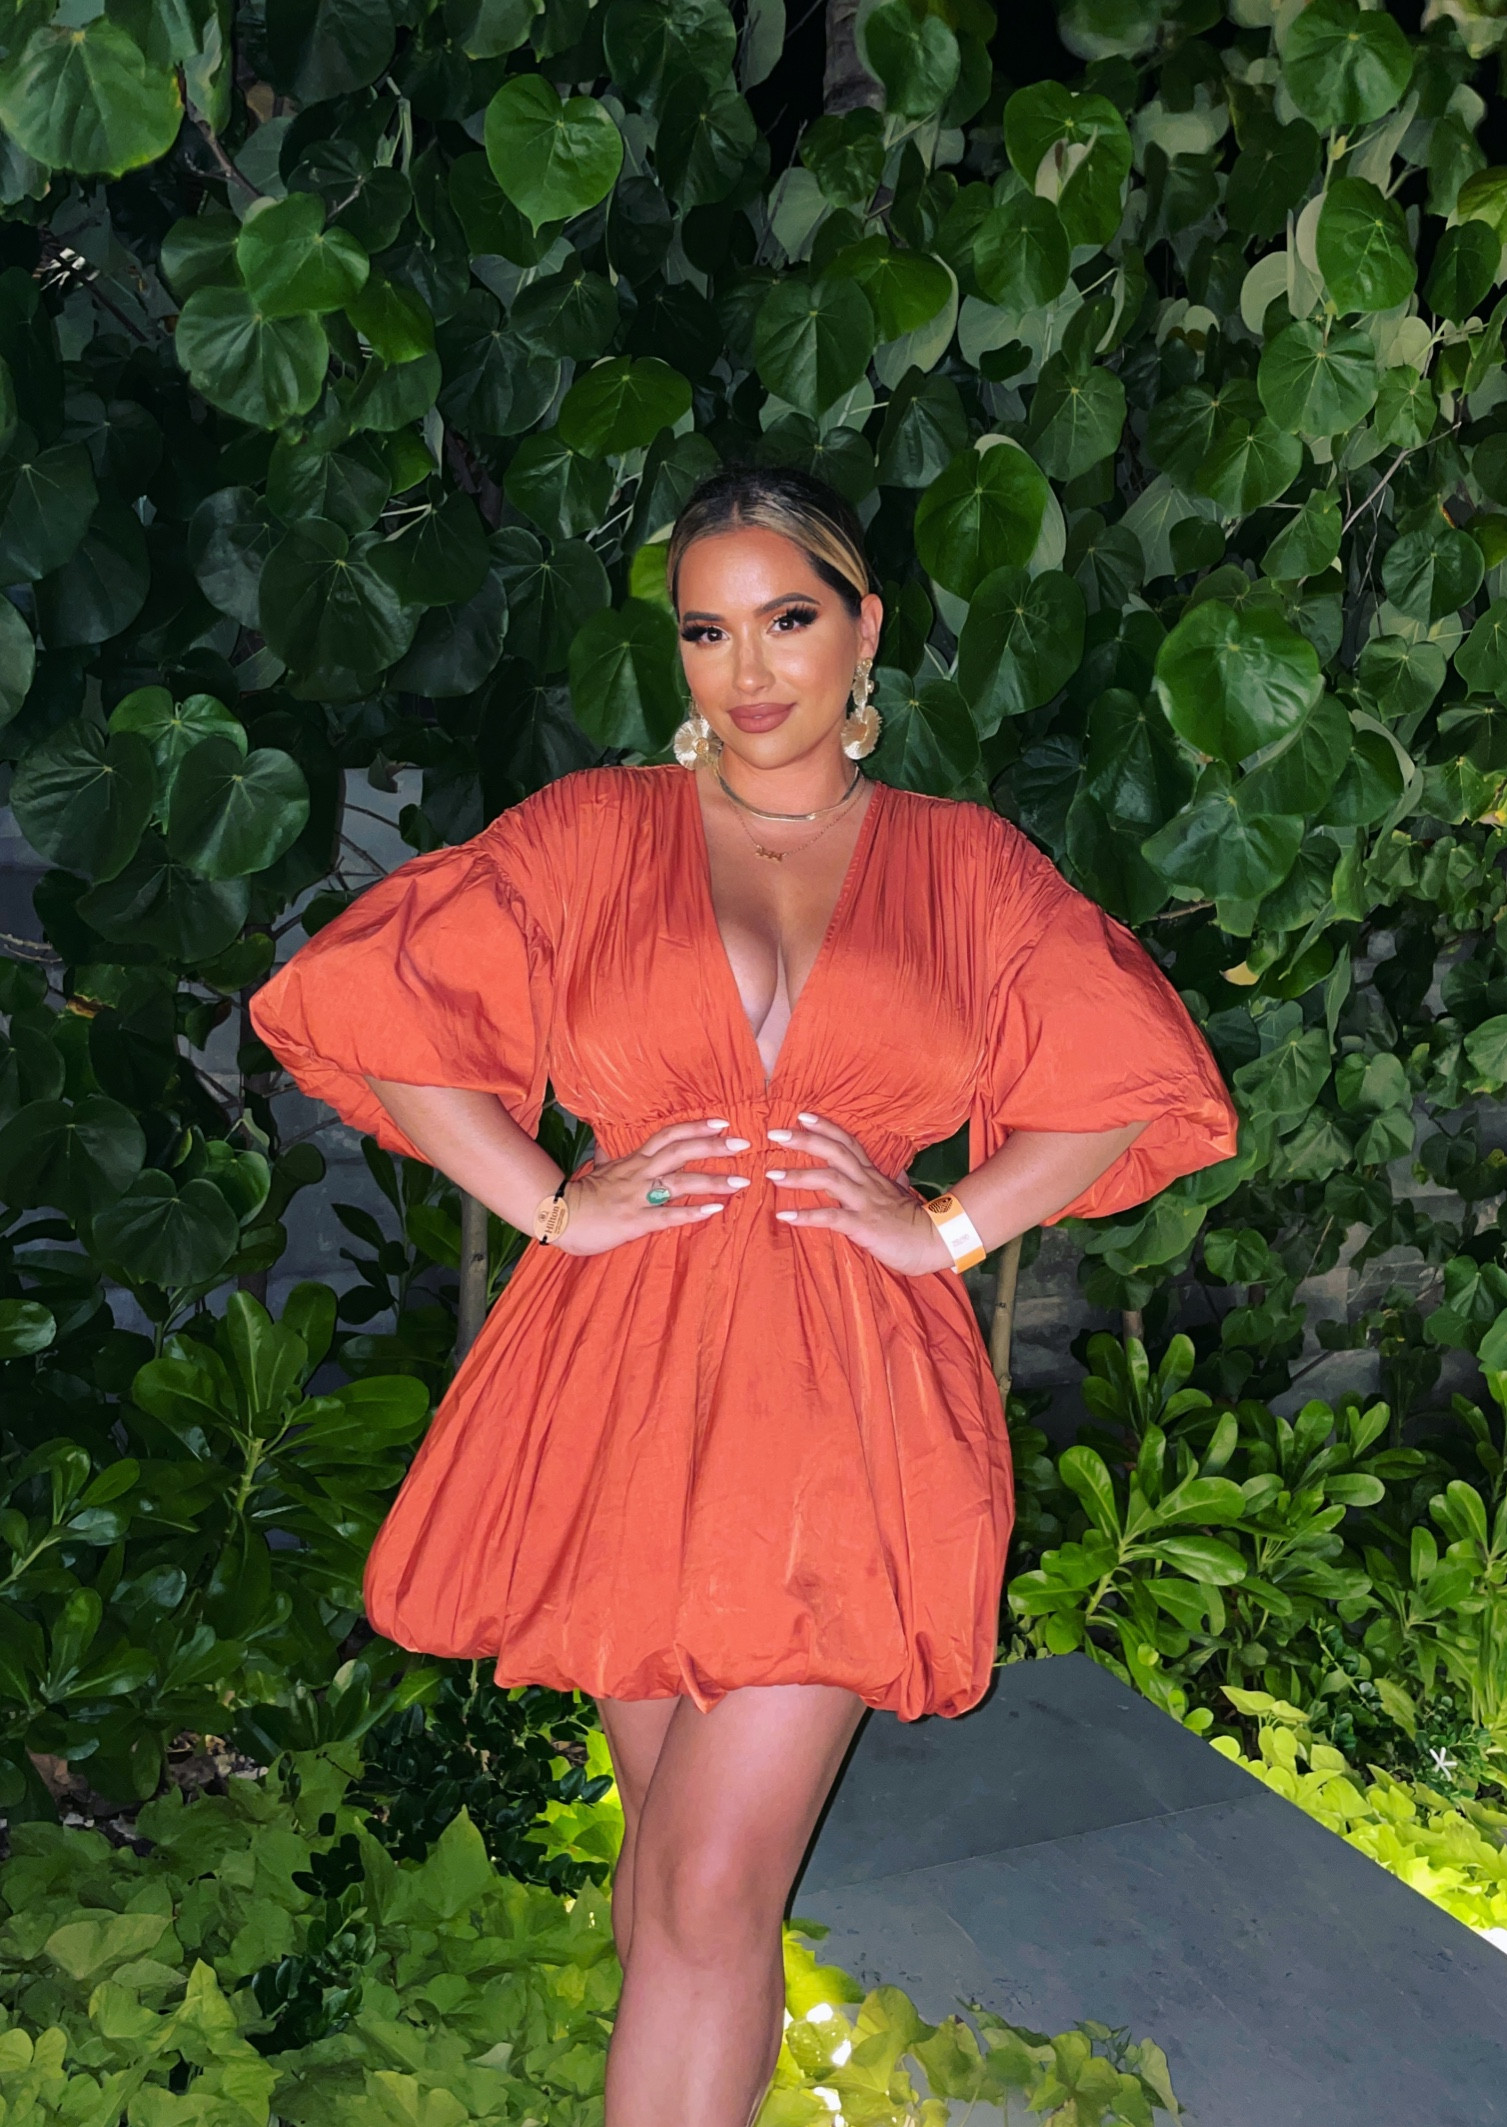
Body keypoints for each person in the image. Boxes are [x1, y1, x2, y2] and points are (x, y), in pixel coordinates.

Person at [250, 464, 1238, 2127]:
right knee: (672, 1881)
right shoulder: (589, 836)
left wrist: (949, 1230)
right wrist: (553, 1200)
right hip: (625, 1378)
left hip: (853, 1396)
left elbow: (1129, 1083)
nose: (749, 668)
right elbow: (375, 1006)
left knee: (710, 1882)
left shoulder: (968, 864)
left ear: (865, 632)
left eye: (788, 618)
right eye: (707, 630)